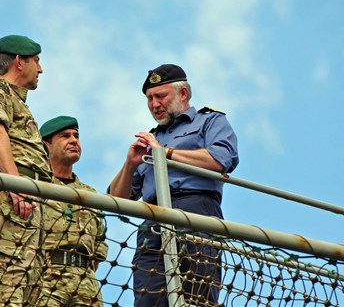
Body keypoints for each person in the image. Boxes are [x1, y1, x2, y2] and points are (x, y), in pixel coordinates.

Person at [109, 64, 239, 306]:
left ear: (183, 94)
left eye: (161, 96)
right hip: (152, 220)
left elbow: (221, 159)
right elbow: (117, 201)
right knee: (148, 301)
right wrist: (129, 165)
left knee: (196, 299)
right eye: (149, 98)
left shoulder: (210, 121)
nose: (154, 104)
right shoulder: (150, 138)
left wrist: (165, 153)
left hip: (196, 214)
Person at [0, 35, 53, 306]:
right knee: (9, 279)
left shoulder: (19, 101)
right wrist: (15, 185)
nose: (40, 69)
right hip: (13, 195)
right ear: (19, 61)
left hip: (30, 197)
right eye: (36, 61)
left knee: (32, 284)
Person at [32, 115, 109, 307]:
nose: (74, 140)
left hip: (86, 284)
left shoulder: (89, 195)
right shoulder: (34, 186)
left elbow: (98, 246)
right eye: (65, 136)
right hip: (45, 278)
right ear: (45, 145)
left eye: (76, 136)